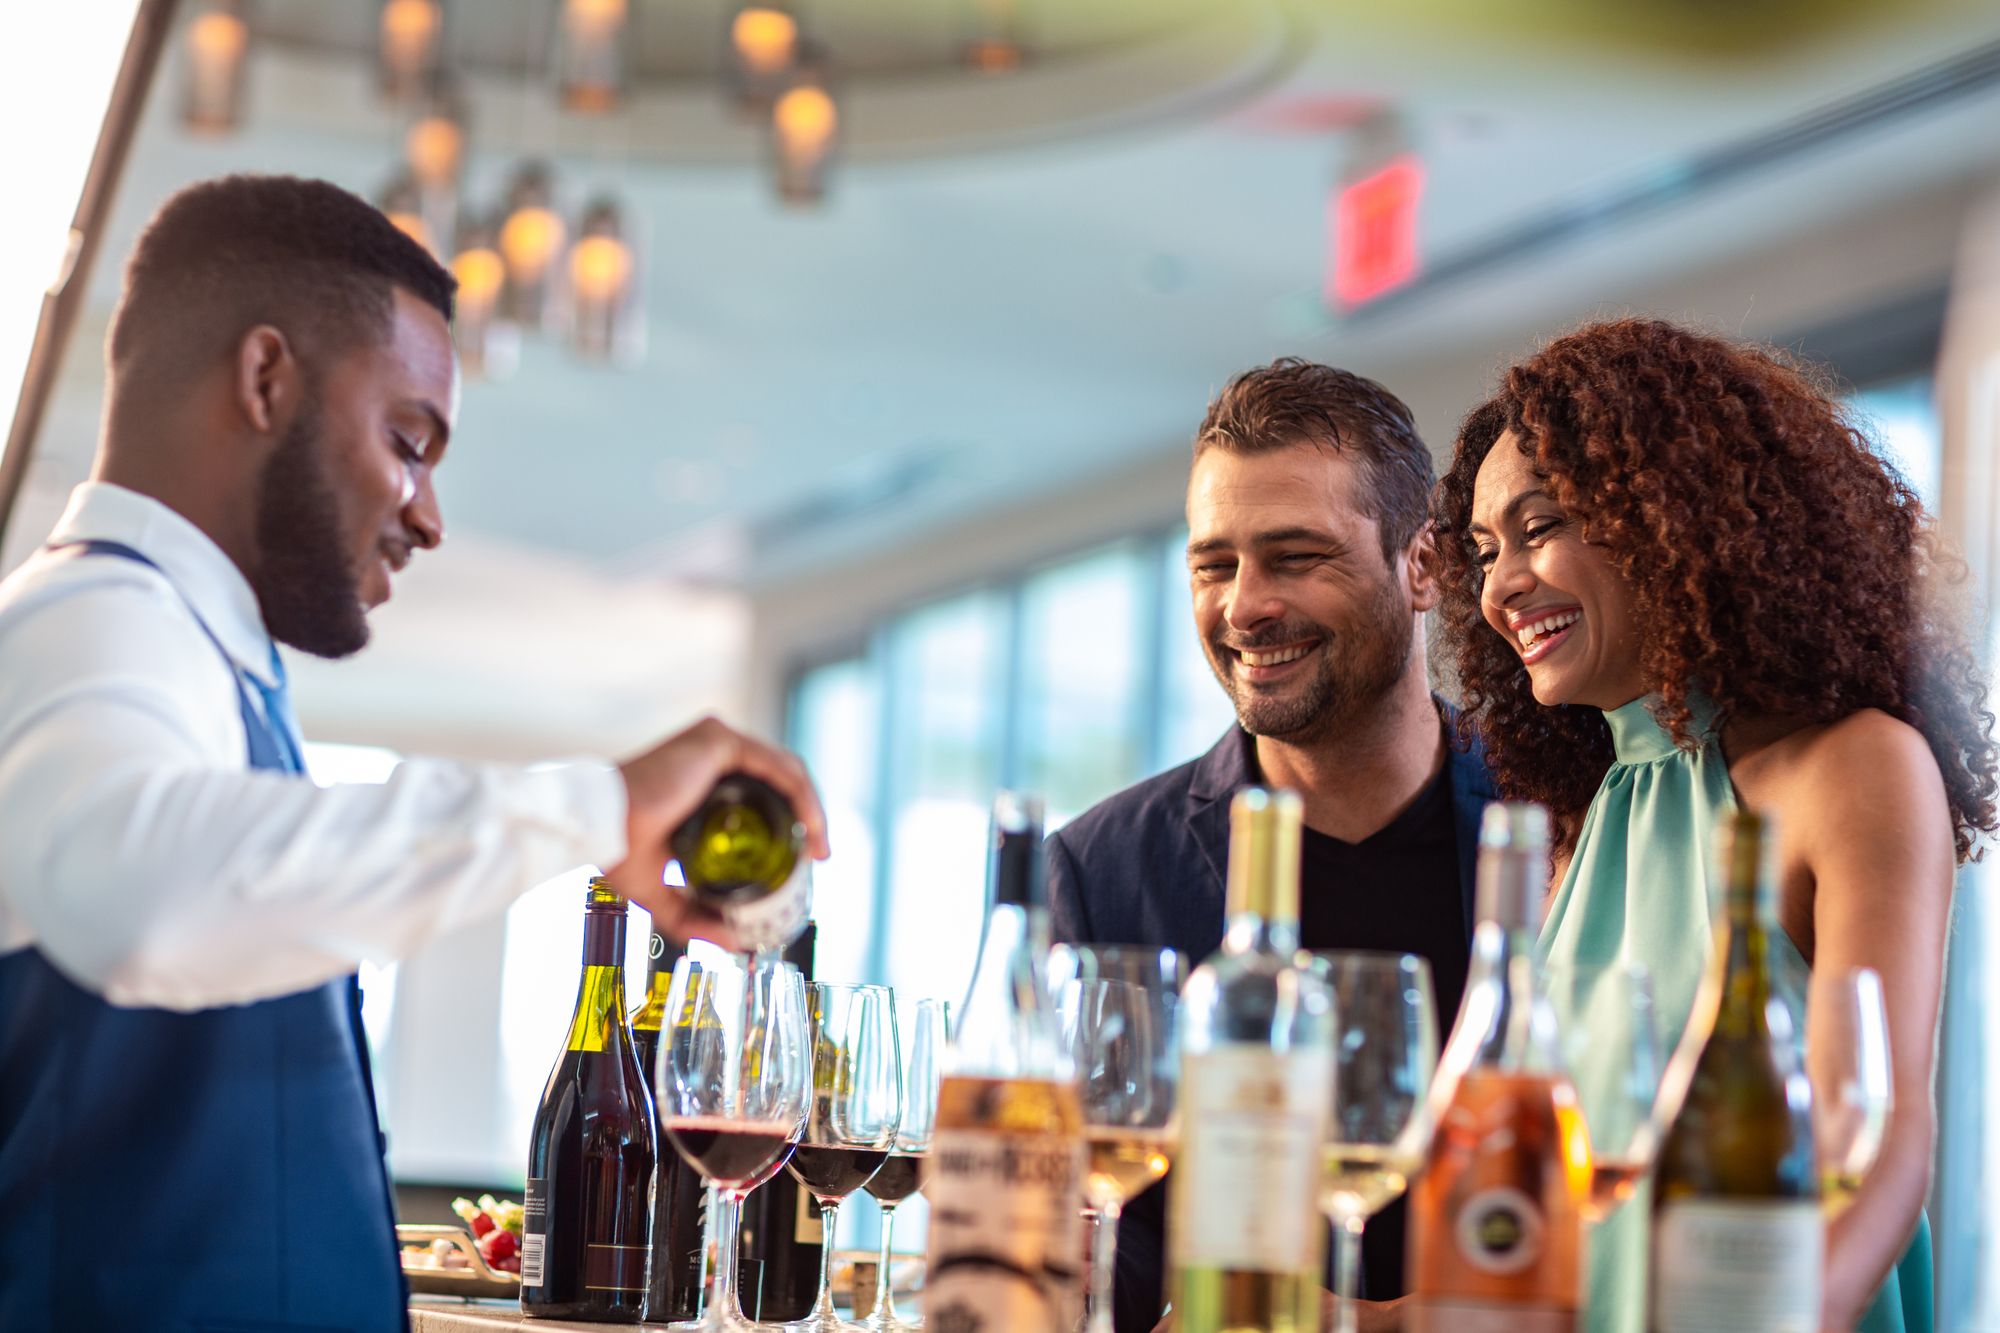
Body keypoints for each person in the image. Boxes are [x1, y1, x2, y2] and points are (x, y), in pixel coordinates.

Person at [0, 175, 828, 1333]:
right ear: (265, 379)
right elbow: (144, 903)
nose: (428, 513)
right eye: (409, 440)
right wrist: (596, 804)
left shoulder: (196, 655)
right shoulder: (90, 618)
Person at [1436, 317, 1997, 1333]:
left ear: (1666, 514)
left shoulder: (1851, 766)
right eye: (1482, 552)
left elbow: (1877, 1137)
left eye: (1538, 525)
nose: (1498, 587)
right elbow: (1574, 1223)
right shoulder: (1586, 814)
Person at [1047, 358, 1497, 1333]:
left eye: (1294, 557)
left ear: (1422, 565)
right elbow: (1087, 1233)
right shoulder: (1096, 870)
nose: (1243, 605)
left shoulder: (1554, 827)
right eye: (1213, 564)